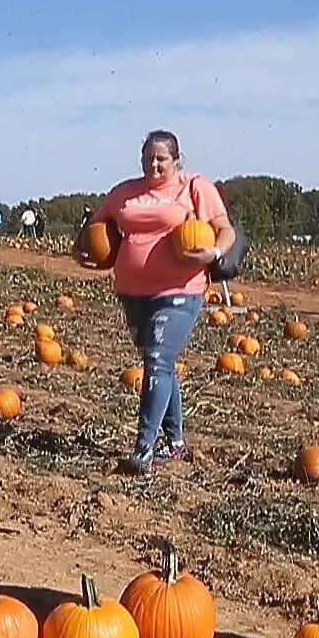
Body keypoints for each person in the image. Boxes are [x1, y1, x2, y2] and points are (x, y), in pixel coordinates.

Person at [76, 129, 236, 475]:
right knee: (160, 364)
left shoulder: (194, 188)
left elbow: (226, 230)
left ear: (177, 161)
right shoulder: (124, 193)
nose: (154, 164)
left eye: (161, 158)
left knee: (157, 359)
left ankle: (144, 448)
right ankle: (175, 442)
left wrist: (214, 252)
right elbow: (96, 227)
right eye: (148, 157)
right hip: (133, 292)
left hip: (181, 289)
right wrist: (83, 253)